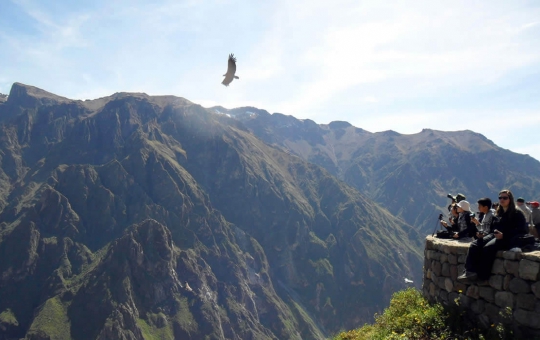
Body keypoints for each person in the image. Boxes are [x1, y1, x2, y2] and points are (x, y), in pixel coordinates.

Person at [458, 190, 527, 282]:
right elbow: (493, 226)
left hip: (508, 238)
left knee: (488, 248)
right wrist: (483, 234)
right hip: (494, 234)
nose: (502, 200)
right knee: (475, 244)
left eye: (505, 198)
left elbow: (522, 230)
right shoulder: (499, 212)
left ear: (510, 199)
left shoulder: (517, 213)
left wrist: (504, 235)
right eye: (500, 198)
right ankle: (469, 271)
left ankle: (483, 276)